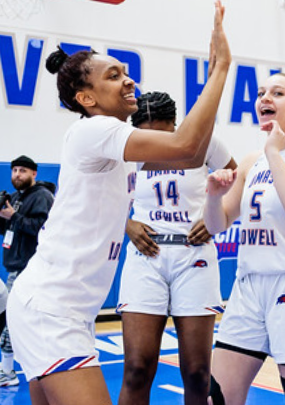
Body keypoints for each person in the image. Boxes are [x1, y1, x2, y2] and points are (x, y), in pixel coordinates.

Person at [5, 4, 231, 404]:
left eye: (127, 73)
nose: (129, 82)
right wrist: (220, 71)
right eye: (114, 76)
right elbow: (186, 144)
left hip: (58, 310)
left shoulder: (110, 141)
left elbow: (191, 156)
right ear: (86, 97)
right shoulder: (96, 130)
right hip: (51, 310)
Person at [202, 72, 285, 405]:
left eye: (277, 93)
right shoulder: (251, 161)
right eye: (262, 92)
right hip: (249, 285)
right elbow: (217, 225)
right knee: (215, 397)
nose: (265, 98)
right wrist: (212, 196)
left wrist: (276, 153)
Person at [116, 92, 236, 405]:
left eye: (162, 131)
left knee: (197, 372)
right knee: (136, 368)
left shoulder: (204, 142)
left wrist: (213, 215)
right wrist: (126, 224)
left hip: (194, 256)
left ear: (175, 124)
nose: (154, 139)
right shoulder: (128, 147)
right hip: (146, 257)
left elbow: (239, 181)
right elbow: (98, 196)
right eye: (147, 132)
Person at [0, 155, 55, 387]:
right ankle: (18, 369)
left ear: (34, 173)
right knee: (23, 321)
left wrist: (14, 216)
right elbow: (9, 230)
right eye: (14, 171)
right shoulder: (14, 197)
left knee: (11, 321)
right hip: (14, 265)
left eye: (22, 171)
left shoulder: (42, 196)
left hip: (30, 268)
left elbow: (42, 229)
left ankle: (7, 372)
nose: (17, 175)